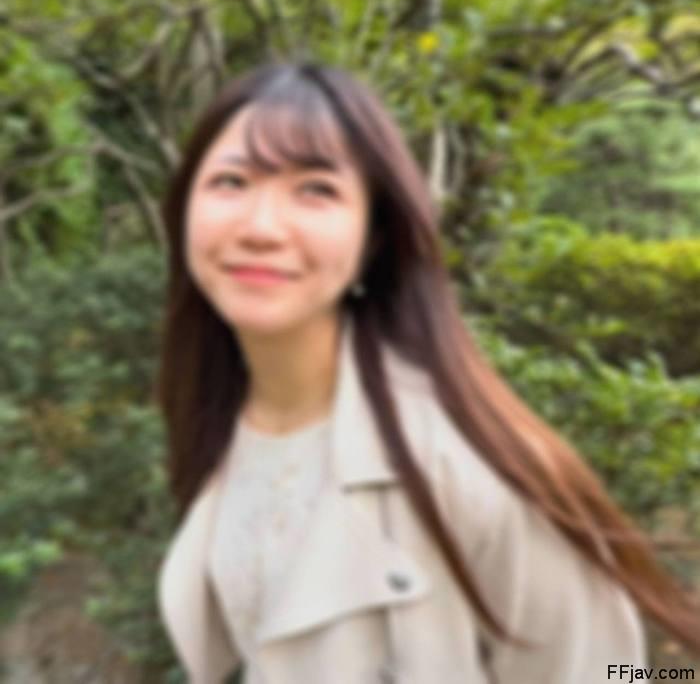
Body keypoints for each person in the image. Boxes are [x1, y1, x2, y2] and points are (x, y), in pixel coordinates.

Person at [155, 61, 700, 684]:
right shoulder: (220, 417)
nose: (261, 228)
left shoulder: (474, 469)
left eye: (316, 190)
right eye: (231, 182)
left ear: (374, 239)